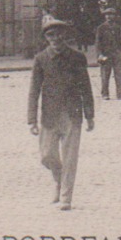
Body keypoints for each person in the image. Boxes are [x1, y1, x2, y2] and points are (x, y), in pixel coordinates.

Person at [27, 16, 95, 210]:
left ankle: (66, 197)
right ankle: (58, 179)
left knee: (70, 157)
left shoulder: (77, 58)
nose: (55, 38)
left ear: (64, 36)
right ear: (46, 38)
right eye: (50, 35)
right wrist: (32, 119)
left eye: (58, 34)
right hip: (49, 115)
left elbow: (86, 87)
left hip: (73, 114)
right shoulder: (41, 59)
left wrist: (90, 115)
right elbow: (34, 90)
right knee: (47, 155)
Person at [95, 7, 121, 100]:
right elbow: (98, 42)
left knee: (120, 74)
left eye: (111, 14)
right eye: (107, 15)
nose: (109, 16)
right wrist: (99, 54)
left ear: (114, 16)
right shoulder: (101, 28)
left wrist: (120, 50)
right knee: (105, 75)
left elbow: (119, 40)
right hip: (105, 53)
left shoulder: (117, 27)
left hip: (116, 53)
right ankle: (105, 93)